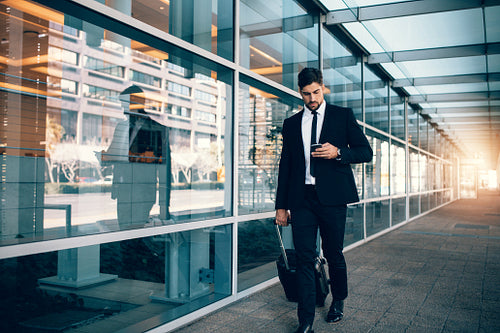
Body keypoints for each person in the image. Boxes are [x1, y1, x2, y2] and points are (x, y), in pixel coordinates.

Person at [275, 68, 372, 333]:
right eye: (306, 94)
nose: (311, 98)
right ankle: (305, 320)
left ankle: (338, 299)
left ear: (323, 87)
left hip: (332, 199)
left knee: (333, 253)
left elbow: (366, 151)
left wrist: (339, 152)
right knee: (305, 258)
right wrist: (281, 206)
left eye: (315, 92)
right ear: (300, 92)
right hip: (302, 199)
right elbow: (286, 166)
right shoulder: (292, 124)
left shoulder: (342, 116)